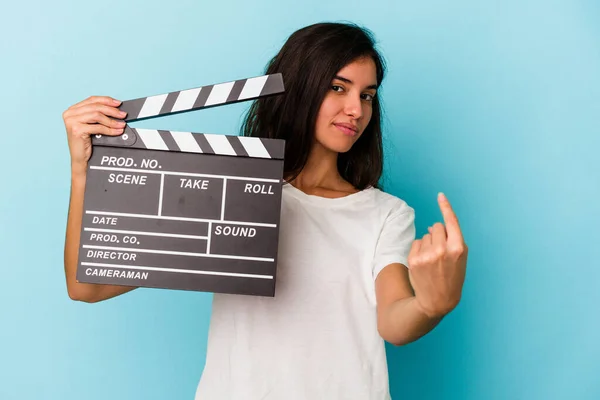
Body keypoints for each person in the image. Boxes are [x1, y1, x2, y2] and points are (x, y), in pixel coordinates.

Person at [62, 22, 468, 400]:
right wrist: (83, 173)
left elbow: (394, 321)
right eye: (338, 88)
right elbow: (87, 287)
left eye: (367, 95)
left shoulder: (385, 213)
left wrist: (432, 304)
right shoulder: (233, 190)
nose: (356, 110)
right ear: (300, 89)